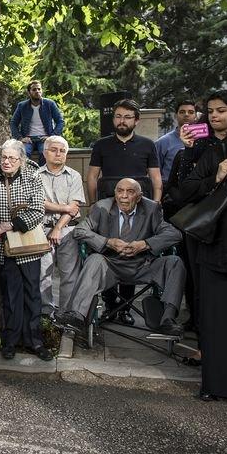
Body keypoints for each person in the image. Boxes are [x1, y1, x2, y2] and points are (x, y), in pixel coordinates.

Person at [178, 103, 227, 407]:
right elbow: (185, 191)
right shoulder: (216, 154)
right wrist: (215, 178)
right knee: (217, 323)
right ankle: (216, 385)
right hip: (216, 250)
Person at [58, 178, 185, 336]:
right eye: (120, 191)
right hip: (111, 266)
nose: (124, 196)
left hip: (143, 265)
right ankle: (77, 315)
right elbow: (79, 231)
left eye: (130, 192)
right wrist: (108, 242)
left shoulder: (151, 208)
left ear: (139, 197)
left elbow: (175, 234)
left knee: (175, 262)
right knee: (94, 259)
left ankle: (168, 319)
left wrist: (144, 244)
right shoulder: (102, 207)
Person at [86, 98, 162, 325]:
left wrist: (155, 207)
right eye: (118, 116)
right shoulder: (101, 145)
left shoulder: (148, 145)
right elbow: (92, 176)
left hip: (138, 212)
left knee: (131, 254)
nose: (122, 120)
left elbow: (156, 178)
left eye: (128, 117)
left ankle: (125, 308)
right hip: (109, 209)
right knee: (109, 255)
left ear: (136, 120)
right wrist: (93, 205)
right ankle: (110, 305)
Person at [171, 90, 227, 337]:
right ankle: (202, 333)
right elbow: (184, 186)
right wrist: (188, 149)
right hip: (201, 221)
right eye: (210, 111)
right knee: (199, 281)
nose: (213, 116)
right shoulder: (199, 137)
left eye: (221, 110)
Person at [0, 139, 51, 361]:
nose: (7, 162)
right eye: (4, 157)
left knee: (32, 293)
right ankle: (10, 341)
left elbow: (38, 210)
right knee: (10, 296)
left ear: (21, 159)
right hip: (0, 244)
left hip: (27, 241)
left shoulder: (32, 173)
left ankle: (35, 340)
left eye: (12, 158)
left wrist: (9, 225)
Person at [36, 136, 85, 317]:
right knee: (43, 275)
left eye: (62, 151)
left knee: (70, 275)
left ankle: (66, 315)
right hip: (41, 229)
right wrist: (64, 207)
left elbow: (74, 207)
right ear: (44, 152)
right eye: (54, 149)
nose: (58, 154)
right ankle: (46, 313)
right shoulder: (35, 176)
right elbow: (38, 203)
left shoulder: (74, 176)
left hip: (68, 230)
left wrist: (58, 228)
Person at [9, 80, 64, 162]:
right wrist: (20, 138)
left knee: (46, 153)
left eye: (39, 89)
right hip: (28, 139)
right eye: (34, 89)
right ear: (29, 92)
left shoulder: (50, 104)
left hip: (44, 138)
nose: (37, 91)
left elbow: (60, 121)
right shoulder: (22, 106)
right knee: (23, 154)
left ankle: (41, 174)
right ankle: (26, 174)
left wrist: (51, 136)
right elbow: (13, 123)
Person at [155, 100, 197, 186]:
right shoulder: (162, 142)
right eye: (182, 112)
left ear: (196, 116)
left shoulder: (203, 141)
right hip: (169, 190)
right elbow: (155, 173)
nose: (186, 115)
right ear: (175, 115)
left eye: (191, 112)